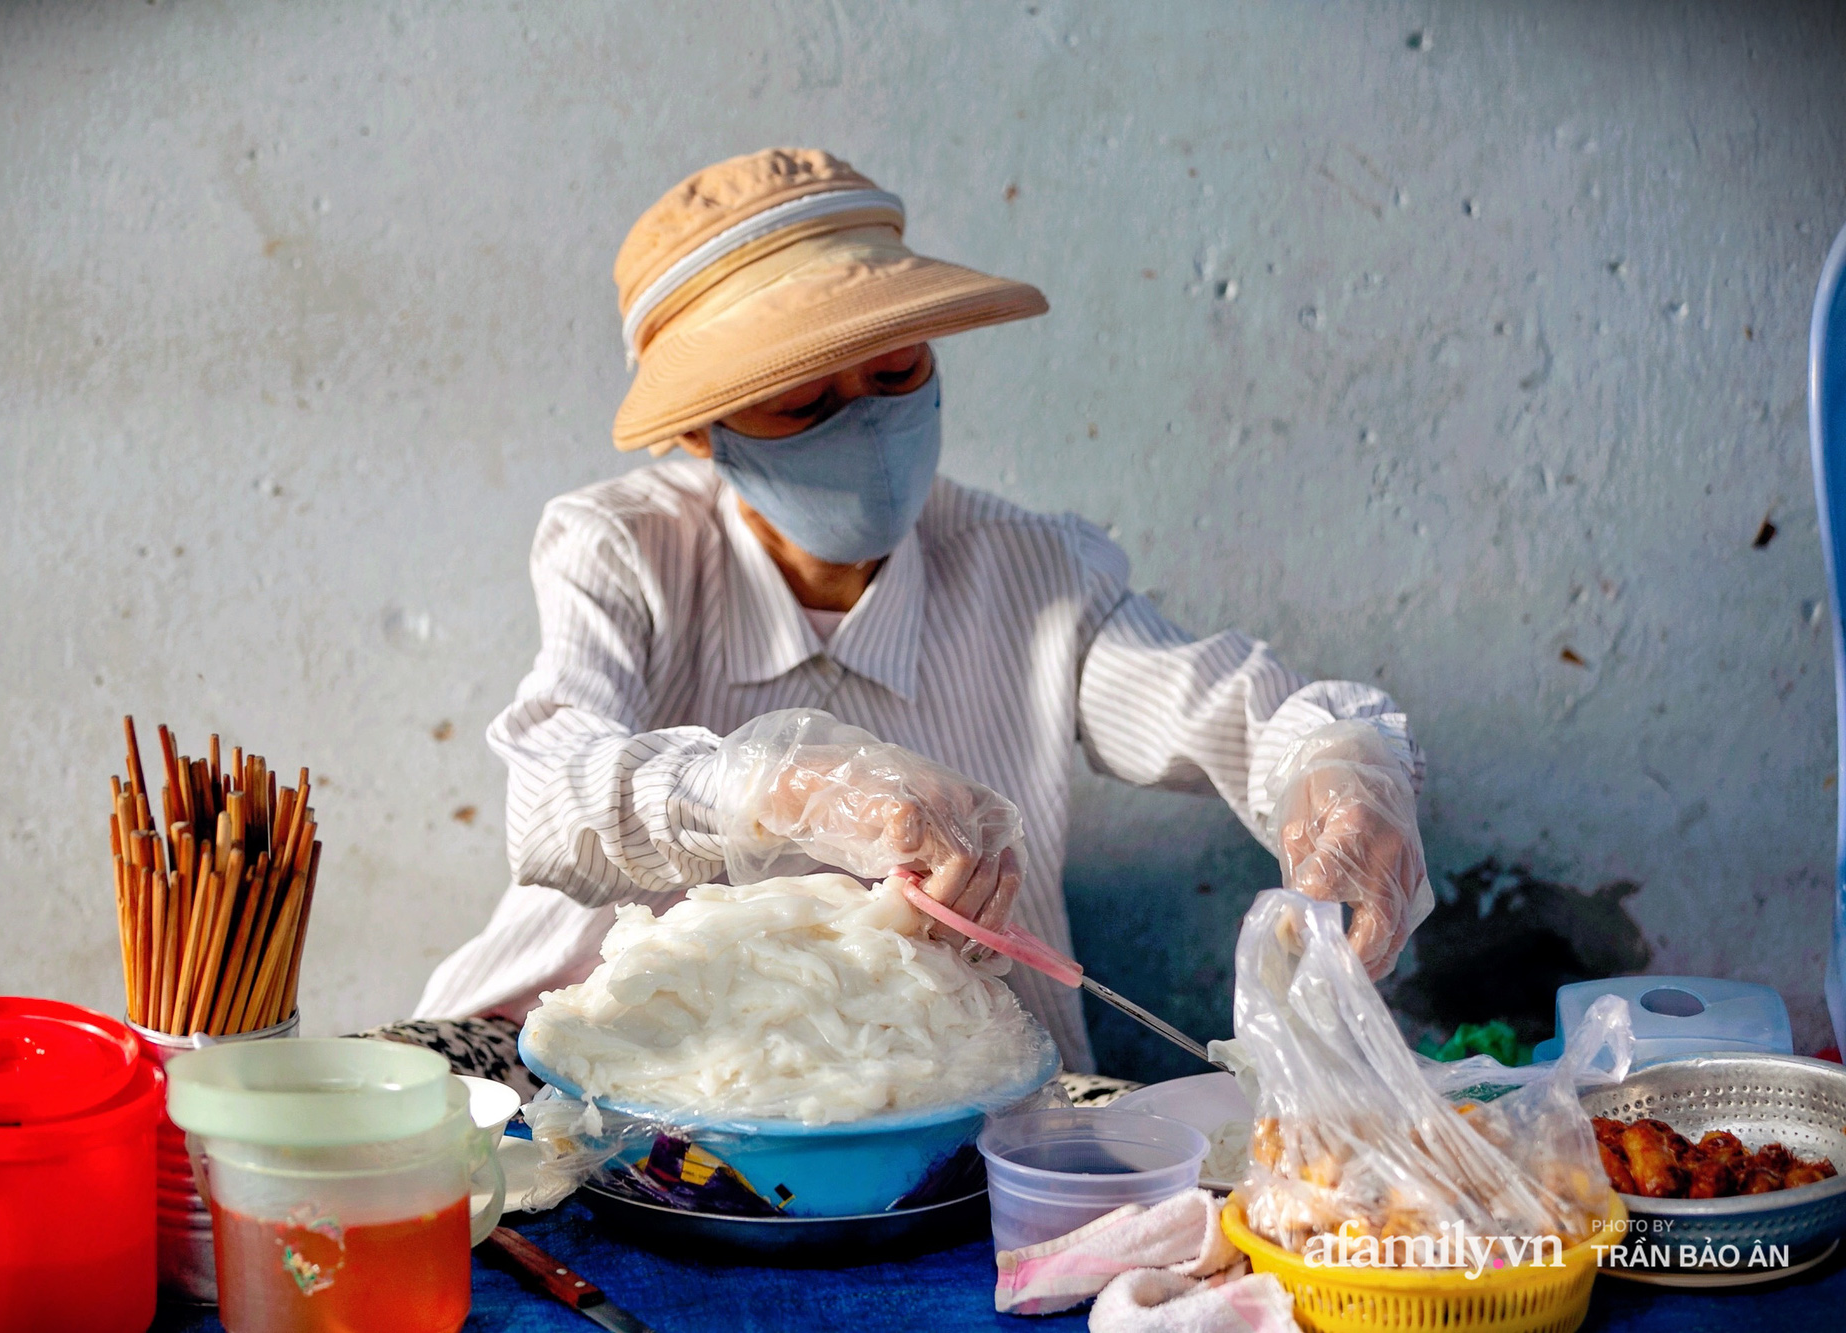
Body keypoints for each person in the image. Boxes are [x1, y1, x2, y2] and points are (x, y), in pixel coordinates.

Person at [411, 148, 1432, 1075]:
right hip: (611, 1068)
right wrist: (776, 788)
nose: (864, 421)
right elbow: (548, 793)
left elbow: (1224, 706)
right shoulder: (623, 549)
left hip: (943, 1094)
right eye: (800, 401)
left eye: (896, 371)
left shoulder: (1031, 572)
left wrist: (1337, 764)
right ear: (698, 435)